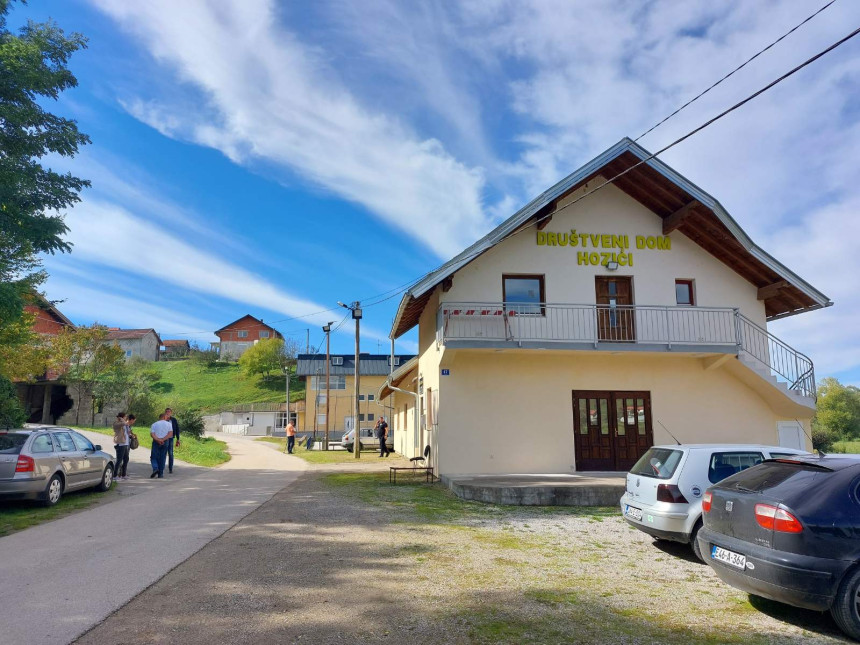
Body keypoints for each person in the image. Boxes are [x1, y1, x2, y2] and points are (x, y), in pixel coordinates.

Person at [150, 413, 173, 478]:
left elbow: (152, 434)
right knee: (162, 457)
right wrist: (163, 439)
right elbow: (170, 434)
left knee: (154, 456)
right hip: (165, 442)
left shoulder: (154, 424)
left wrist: (158, 440)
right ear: (164, 417)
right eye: (166, 417)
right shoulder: (169, 424)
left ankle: (155, 468)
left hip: (156, 441)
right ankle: (161, 474)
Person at [112, 412, 130, 481]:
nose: (126, 418)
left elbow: (126, 429)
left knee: (126, 459)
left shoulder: (124, 423)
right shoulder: (117, 422)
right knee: (119, 460)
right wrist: (122, 420)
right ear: (122, 417)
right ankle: (115, 475)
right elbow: (120, 424)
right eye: (125, 417)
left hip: (125, 443)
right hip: (120, 443)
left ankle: (123, 474)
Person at [164, 407, 181, 474]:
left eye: (169, 411)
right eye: (166, 411)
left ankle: (170, 468)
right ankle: (161, 467)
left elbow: (177, 429)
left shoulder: (173, 420)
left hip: (171, 438)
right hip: (164, 438)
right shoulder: (163, 419)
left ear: (171, 413)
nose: (168, 412)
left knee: (170, 453)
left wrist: (178, 438)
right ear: (165, 412)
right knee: (163, 453)